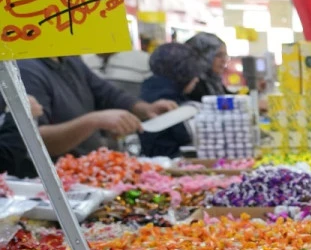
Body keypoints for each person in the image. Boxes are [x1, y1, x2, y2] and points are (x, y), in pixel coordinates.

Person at [0, 55, 178, 177]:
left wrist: (145, 108)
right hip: (53, 182)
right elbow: (38, 138)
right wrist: (94, 121)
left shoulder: (69, 59)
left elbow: (106, 92)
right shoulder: (26, 69)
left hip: (88, 172)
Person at [138, 43, 210, 158]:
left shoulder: (148, 91)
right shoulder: (169, 103)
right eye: (193, 73)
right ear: (183, 73)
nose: (196, 79)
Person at [185, 32, 230, 101]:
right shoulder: (193, 84)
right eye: (219, 55)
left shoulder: (214, 81)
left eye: (225, 55)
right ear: (202, 57)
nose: (224, 60)